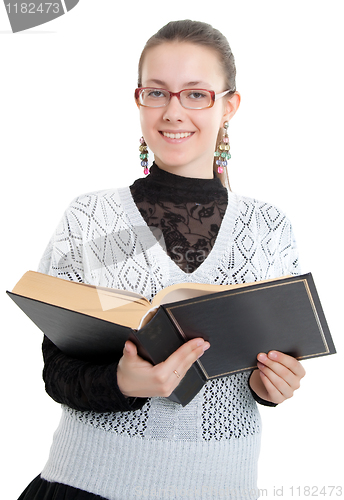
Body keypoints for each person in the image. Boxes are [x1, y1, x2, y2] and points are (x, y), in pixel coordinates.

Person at [18, 19, 306, 500]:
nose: (174, 112)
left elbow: (273, 364)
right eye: (157, 92)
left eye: (196, 94)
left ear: (229, 105)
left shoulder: (268, 228)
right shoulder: (92, 217)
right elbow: (56, 371)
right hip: (87, 486)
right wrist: (120, 382)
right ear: (139, 100)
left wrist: (272, 385)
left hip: (223, 488)